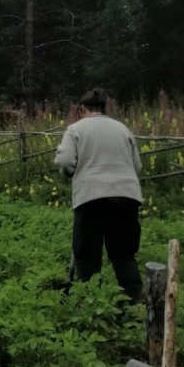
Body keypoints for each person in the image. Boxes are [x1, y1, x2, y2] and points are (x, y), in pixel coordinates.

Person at [54, 89, 143, 303]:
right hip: (126, 196)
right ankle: (133, 306)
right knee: (123, 254)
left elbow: (65, 161)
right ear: (104, 109)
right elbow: (137, 166)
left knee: (87, 255)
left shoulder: (75, 129)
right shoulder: (123, 129)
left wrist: (70, 174)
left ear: (82, 109)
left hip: (90, 197)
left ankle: (92, 304)